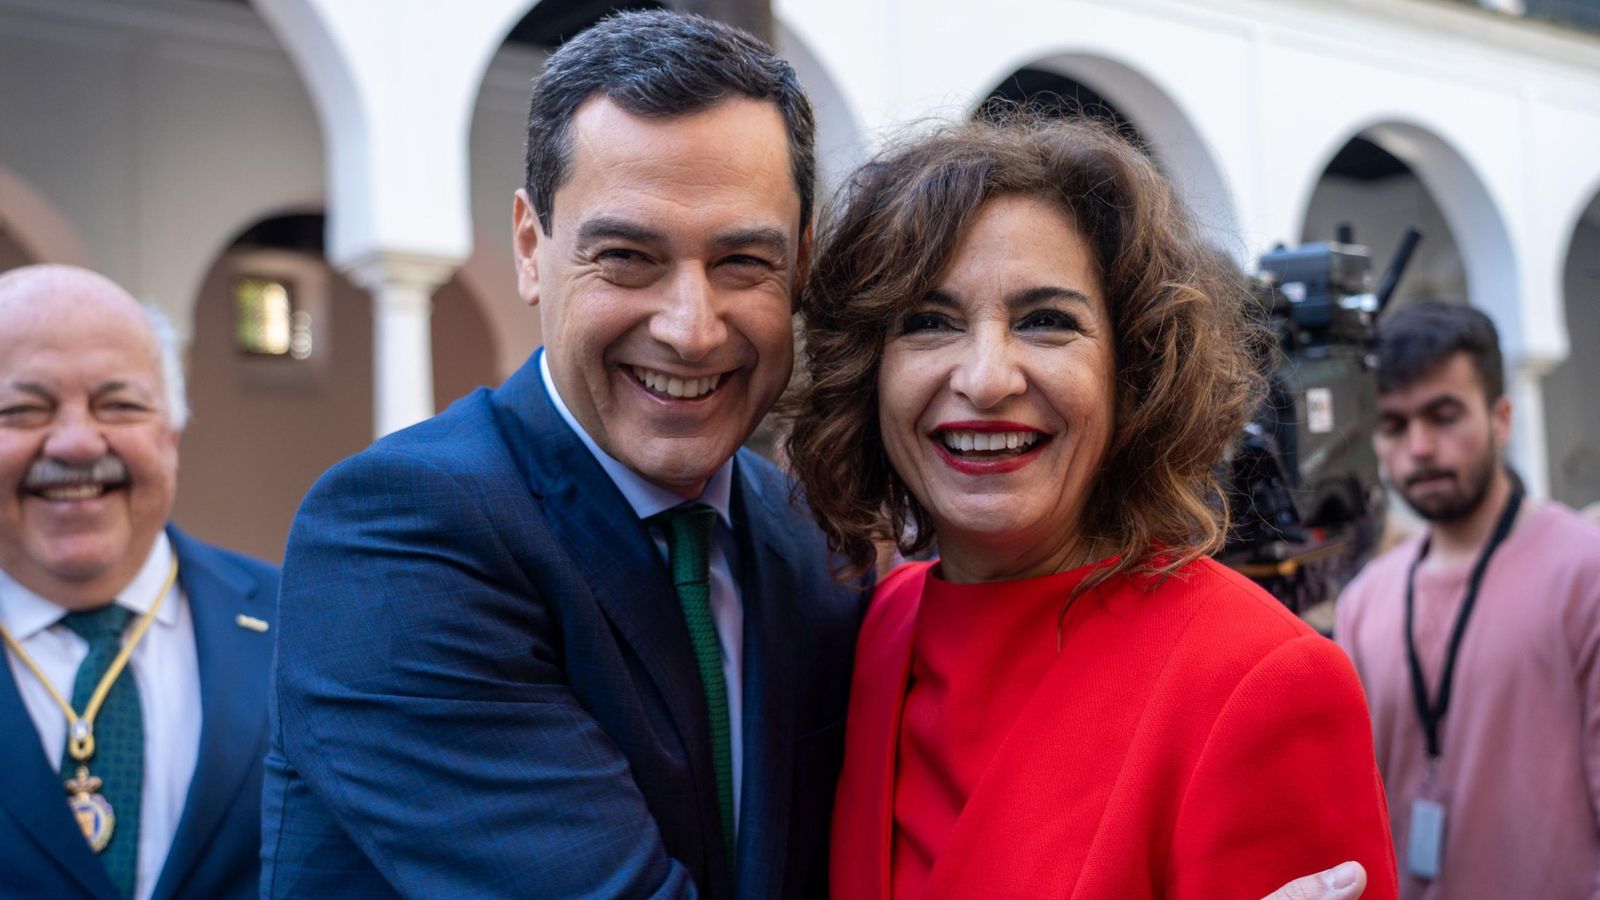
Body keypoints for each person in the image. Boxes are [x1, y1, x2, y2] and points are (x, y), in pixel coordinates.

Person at [260, 12, 863, 899]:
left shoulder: (811, 541)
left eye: (742, 261)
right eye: (627, 257)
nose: (692, 331)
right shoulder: (399, 534)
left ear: (802, 264)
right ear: (531, 247)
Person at [788, 118, 1400, 899]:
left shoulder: (1260, 680)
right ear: (868, 373)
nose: (985, 377)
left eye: (1047, 321)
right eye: (929, 321)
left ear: (1133, 372)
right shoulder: (877, 628)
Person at [0, 265, 279, 900]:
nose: (75, 443)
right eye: (21, 409)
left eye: (119, 404)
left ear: (171, 431)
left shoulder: (304, 627)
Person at [1335, 299, 1600, 899]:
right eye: (1395, 425)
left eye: (1443, 414)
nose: (1420, 448)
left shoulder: (1585, 572)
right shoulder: (1364, 602)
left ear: (1502, 417)